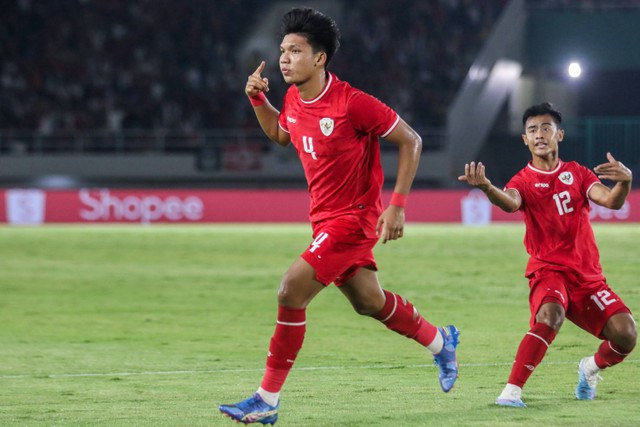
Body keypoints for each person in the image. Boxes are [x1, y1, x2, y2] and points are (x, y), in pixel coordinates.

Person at [219, 7, 459, 425]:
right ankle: (441, 342)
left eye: (295, 51)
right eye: (283, 50)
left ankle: (267, 399)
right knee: (369, 302)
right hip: (324, 219)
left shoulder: (353, 104)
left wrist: (398, 204)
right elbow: (281, 134)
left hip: (355, 218)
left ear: (320, 58)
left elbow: (411, 140)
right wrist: (258, 99)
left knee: (290, 290)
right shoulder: (294, 98)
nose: (284, 59)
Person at [458, 102, 636, 407]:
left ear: (560, 135)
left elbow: (610, 200)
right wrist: (488, 187)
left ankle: (589, 368)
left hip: (588, 278)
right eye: (532, 130)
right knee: (550, 316)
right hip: (548, 270)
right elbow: (511, 202)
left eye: (546, 128)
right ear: (525, 140)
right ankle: (511, 392)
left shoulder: (576, 173)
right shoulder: (522, 181)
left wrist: (625, 181)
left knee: (626, 335)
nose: (539, 135)